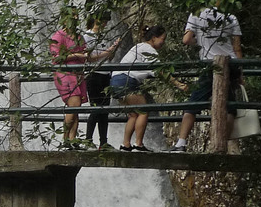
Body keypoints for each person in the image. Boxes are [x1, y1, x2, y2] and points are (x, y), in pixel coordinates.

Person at [170, 4, 243, 152]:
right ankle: (224, 142)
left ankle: (181, 143)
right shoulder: (230, 16)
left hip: (210, 64)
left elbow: (186, 39)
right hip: (231, 64)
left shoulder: (196, 13)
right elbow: (237, 48)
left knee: (192, 104)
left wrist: (199, 42)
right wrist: (242, 73)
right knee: (229, 108)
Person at [50, 11, 118, 146]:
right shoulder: (58, 36)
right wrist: (77, 54)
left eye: (76, 17)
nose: (75, 19)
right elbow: (56, 57)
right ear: (65, 20)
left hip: (78, 74)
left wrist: (110, 50)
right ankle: (65, 139)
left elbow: (87, 55)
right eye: (72, 17)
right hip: (65, 73)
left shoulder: (79, 37)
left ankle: (72, 139)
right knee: (74, 105)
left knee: (77, 107)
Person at [109, 26, 177, 152]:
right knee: (143, 111)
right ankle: (138, 145)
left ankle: (126, 145)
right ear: (154, 38)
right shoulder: (148, 49)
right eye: (163, 39)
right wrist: (178, 84)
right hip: (127, 81)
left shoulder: (138, 46)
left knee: (133, 115)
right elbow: (159, 70)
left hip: (115, 81)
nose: (164, 42)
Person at [81, 12, 120, 150]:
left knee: (105, 110)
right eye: (103, 21)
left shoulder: (104, 36)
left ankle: (103, 142)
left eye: (106, 21)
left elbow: (109, 57)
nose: (105, 24)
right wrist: (108, 51)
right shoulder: (86, 36)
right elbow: (89, 57)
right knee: (96, 108)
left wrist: (114, 48)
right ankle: (88, 140)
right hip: (93, 74)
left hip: (105, 74)